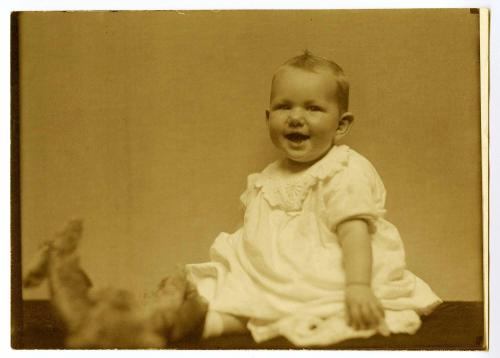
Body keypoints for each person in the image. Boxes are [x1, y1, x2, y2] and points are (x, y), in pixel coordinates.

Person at [24, 51, 441, 348]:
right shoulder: (267, 177)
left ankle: (176, 323)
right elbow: (259, 237)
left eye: (314, 108)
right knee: (220, 290)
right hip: (270, 271)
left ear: (342, 124)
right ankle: (153, 323)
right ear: (268, 118)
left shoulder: (345, 170)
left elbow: (354, 235)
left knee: (284, 311)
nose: (296, 117)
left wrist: (357, 286)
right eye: (284, 107)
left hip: (327, 272)